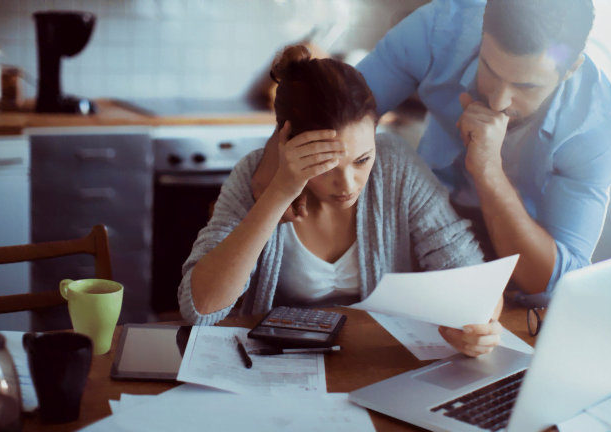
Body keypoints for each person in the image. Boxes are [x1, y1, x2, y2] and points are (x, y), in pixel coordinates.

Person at [252, 0, 611, 316]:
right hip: (432, 218)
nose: (497, 101)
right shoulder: (441, 27)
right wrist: (277, 163)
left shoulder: (594, 127)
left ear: (571, 69)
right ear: (481, 32)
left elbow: (551, 285)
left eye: (526, 86)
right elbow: (339, 109)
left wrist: (489, 172)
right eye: (491, 70)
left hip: (524, 249)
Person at [178, 45, 502, 357]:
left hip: (375, 363)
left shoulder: (396, 165)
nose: (347, 185)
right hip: (279, 368)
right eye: (326, 167)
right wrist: (278, 195)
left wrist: (482, 324)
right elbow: (200, 309)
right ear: (286, 144)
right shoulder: (253, 176)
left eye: (362, 160)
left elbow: (471, 275)